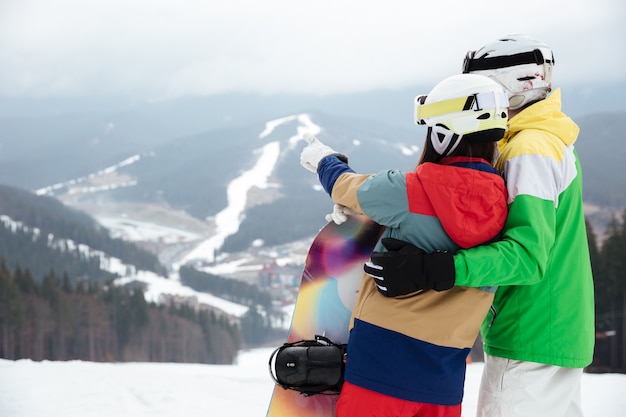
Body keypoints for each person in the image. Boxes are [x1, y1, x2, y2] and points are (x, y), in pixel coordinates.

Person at [364, 35, 595, 417]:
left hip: (529, 333)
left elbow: (526, 257)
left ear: (509, 88)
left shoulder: (529, 150)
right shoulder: (550, 137)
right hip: (556, 328)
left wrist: (435, 268)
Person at [299, 73, 509, 417]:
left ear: (443, 134)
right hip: (447, 374)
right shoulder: (508, 208)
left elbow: (344, 186)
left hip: (381, 365)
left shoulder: (409, 190)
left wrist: (324, 159)